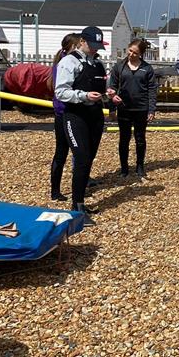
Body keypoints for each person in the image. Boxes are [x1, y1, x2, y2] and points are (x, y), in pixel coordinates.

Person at [54, 26, 109, 226]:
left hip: (95, 116)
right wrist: (83, 96)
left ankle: (81, 201)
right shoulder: (69, 62)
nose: (95, 49)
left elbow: (102, 88)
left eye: (98, 46)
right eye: (92, 45)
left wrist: (109, 94)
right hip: (75, 116)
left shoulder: (98, 64)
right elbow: (60, 91)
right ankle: (77, 206)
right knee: (82, 157)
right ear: (82, 42)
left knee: (90, 158)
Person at [107, 38, 157, 178]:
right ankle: (124, 167)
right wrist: (112, 104)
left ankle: (140, 166)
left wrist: (151, 109)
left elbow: (152, 89)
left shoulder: (147, 68)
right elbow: (112, 87)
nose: (131, 54)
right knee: (124, 138)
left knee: (140, 138)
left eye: (135, 53)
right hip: (124, 108)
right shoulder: (119, 67)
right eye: (130, 51)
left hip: (141, 108)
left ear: (140, 54)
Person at [49, 33, 81, 202]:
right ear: (69, 48)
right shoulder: (64, 64)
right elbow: (62, 92)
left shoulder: (71, 62)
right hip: (64, 113)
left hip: (68, 112)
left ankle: (78, 185)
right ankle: (55, 190)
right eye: (77, 46)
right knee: (63, 152)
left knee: (74, 152)